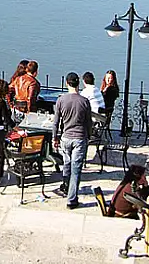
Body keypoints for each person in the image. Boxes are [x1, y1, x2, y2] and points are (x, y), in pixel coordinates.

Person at [51, 72, 92, 210]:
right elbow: (88, 123)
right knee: (76, 169)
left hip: (66, 137)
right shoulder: (84, 101)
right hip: (79, 138)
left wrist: (54, 137)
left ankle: (66, 187)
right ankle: (72, 199)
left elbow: (56, 122)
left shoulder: (61, 100)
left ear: (67, 83)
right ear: (78, 84)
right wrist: (89, 136)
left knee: (67, 164)